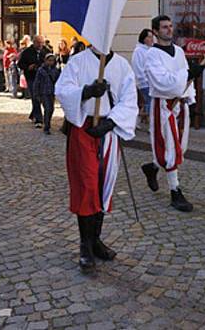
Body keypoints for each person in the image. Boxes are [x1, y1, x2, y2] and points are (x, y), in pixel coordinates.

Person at [55, 45, 138, 273]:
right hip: (83, 128)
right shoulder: (78, 61)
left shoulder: (121, 65)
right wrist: (86, 92)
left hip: (108, 129)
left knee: (104, 186)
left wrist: (111, 123)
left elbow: (130, 99)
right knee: (86, 186)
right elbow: (62, 89)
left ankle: (96, 239)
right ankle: (84, 244)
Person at [140, 15, 202, 212]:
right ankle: (175, 191)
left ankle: (153, 167)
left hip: (179, 103)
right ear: (156, 32)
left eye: (170, 26)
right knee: (169, 146)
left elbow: (184, 77)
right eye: (164, 27)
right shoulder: (152, 55)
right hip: (164, 105)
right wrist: (187, 75)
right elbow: (162, 81)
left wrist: (189, 95)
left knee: (178, 146)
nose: (169, 29)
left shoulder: (178, 51)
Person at [18, 35, 51, 127]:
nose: (40, 45)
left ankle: (33, 114)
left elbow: (52, 62)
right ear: (34, 42)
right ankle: (39, 119)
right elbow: (20, 64)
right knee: (35, 96)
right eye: (38, 43)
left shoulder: (46, 51)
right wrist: (28, 67)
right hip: (31, 77)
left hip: (43, 78)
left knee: (40, 98)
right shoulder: (27, 52)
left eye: (42, 43)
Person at [33, 54, 61, 134]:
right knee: (47, 108)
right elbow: (36, 82)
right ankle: (46, 126)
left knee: (51, 109)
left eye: (52, 60)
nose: (51, 62)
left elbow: (58, 81)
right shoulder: (41, 70)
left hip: (51, 92)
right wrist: (36, 93)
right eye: (49, 60)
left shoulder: (55, 70)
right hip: (43, 92)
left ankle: (47, 122)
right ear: (45, 60)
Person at [131, 28, 154, 125]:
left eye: (152, 37)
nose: (152, 39)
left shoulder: (150, 50)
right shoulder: (139, 51)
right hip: (144, 83)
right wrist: (144, 80)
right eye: (149, 37)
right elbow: (137, 67)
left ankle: (137, 122)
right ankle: (150, 124)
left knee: (145, 104)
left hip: (151, 82)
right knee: (149, 103)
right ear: (144, 39)